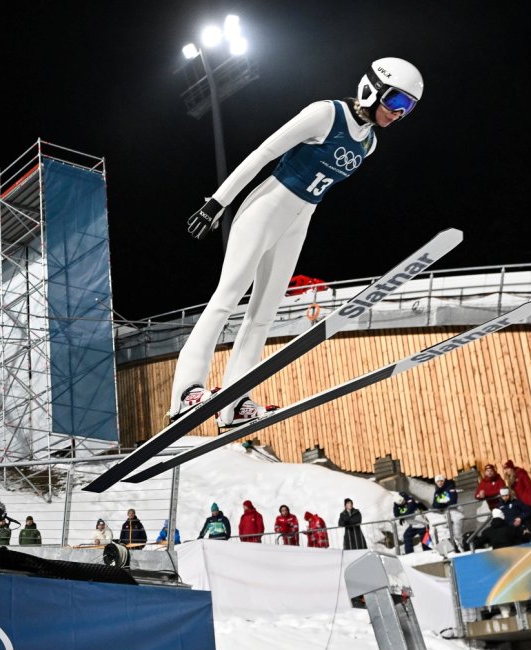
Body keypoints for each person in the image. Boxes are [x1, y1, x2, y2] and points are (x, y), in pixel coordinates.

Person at [166, 57, 424, 425]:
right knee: (226, 300)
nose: (399, 113)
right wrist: (217, 202)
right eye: (397, 102)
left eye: (408, 108)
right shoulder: (326, 113)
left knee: (264, 315)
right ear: (373, 89)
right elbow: (263, 153)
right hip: (265, 209)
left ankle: (235, 402)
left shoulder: (369, 144)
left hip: (298, 222)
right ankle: (187, 391)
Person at [502, 460, 531, 539]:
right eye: (505, 469)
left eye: (508, 469)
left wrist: (530, 502)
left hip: (528, 502)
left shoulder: (521, 474)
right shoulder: (511, 477)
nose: (506, 471)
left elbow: (529, 487)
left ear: (511, 468)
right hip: (523, 502)